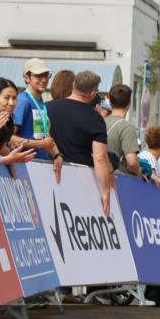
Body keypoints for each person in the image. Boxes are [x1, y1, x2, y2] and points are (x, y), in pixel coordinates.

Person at [45, 71, 114, 216]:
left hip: (47, 173)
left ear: (74, 85)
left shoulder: (46, 108)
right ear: (93, 93)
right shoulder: (95, 119)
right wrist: (106, 191)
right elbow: (100, 157)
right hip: (80, 183)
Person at [12, 58, 55, 160]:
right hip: (25, 164)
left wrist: (57, 155)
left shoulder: (41, 103)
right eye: (39, 76)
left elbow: (45, 136)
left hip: (41, 163)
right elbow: (9, 138)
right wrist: (40, 144)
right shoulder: (22, 101)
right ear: (27, 78)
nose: (44, 80)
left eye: (46, 75)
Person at [105, 84, 143, 176]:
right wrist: (140, 172)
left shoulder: (100, 122)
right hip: (117, 179)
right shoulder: (126, 127)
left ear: (109, 101)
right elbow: (132, 162)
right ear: (129, 103)